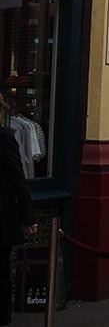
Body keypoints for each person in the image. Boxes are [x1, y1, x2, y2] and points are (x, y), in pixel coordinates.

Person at [0, 94, 36, 327]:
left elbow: (17, 179)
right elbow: (18, 178)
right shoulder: (4, 138)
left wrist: (27, 214)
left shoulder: (5, 137)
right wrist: (28, 217)